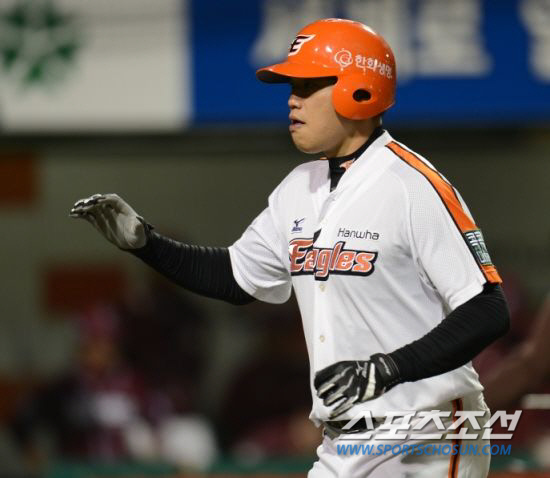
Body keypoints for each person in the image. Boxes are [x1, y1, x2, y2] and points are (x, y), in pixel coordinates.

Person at [70, 18, 510, 478]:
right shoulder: (299, 187)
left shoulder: (412, 185)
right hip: (343, 441)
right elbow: (235, 278)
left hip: (428, 434)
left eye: (307, 85)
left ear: (360, 89)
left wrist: (388, 368)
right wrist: (148, 244)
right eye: (292, 87)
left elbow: (487, 309)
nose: (292, 100)